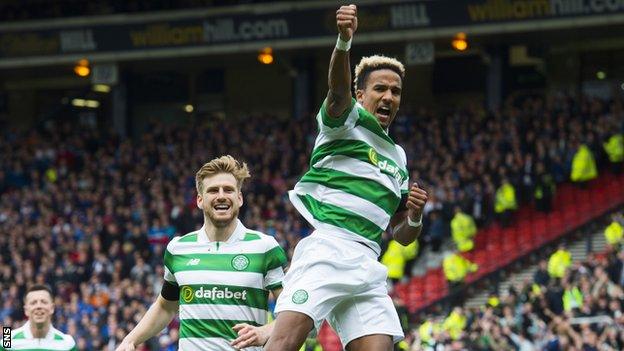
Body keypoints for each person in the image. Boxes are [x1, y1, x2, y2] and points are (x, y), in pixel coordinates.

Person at [265, 5, 428, 351]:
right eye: (380, 88)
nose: (388, 97)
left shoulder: (398, 157)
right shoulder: (346, 122)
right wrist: (343, 42)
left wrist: (414, 215)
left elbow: (402, 236)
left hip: (368, 262)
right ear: (361, 94)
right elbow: (337, 92)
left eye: (395, 91)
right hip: (328, 248)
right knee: (283, 344)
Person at [115, 155, 287, 351]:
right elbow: (166, 306)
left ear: (239, 199)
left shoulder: (265, 247)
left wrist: (265, 331)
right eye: (213, 190)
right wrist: (130, 340)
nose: (221, 195)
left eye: (228, 190)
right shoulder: (178, 249)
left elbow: (295, 314)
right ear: (199, 200)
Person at [2, 284, 77, 351]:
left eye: (44, 302)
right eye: (33, 303)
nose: (39, 306)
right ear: (26, 310)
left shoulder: (67, 343)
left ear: (52, 308)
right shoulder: (8, 338)